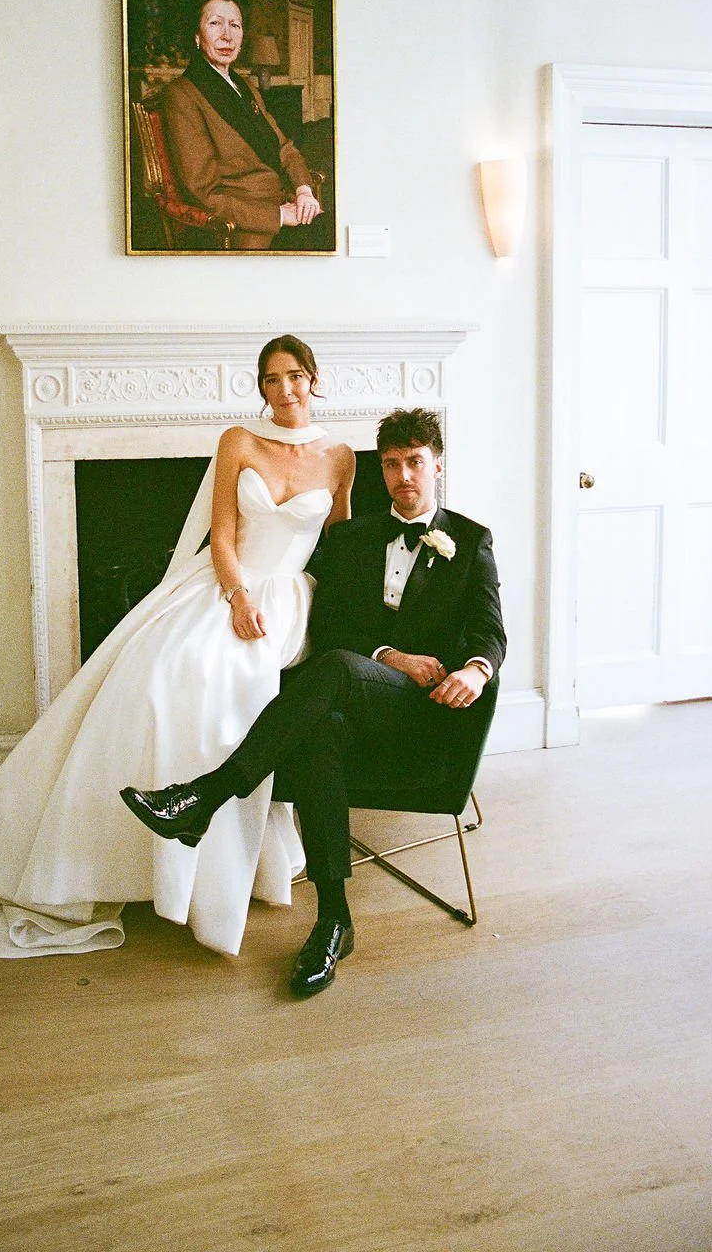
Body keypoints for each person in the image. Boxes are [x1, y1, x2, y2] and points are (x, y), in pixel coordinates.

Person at [0, 337, 355, 959]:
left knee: (226, 685)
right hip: (229, 587)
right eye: (271, 378)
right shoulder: (238, 442)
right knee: (163, 673)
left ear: (314, 379)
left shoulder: (339, 455)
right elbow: (221, 535)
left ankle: (219, 851)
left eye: (295, 375)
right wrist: (239, 597)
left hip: (291, 600)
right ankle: (137, 850)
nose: (284, 389)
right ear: (261, 387)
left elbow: (345, 541)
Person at [122, 408, 507, 996]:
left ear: (437, 465)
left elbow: (490, 632)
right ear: (382, 470)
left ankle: (204, 795)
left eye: (415, 463)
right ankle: (334, 920)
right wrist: (390, 656)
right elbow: (332, 628)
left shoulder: (472, 540)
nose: (404, 476)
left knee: (327, 679)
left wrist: (477, 672)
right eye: (393, 465)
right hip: (361, 694)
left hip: (423, 711)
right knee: (320, 723)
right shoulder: (355, 537)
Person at [160, 0, 323, 251]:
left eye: (235, 25)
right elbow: (204, 194)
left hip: (285, 204)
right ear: (196, 36)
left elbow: (284, 147)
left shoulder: (244, 85)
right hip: (247, 229)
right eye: (215, 23)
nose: (227, 35)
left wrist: (304, 190)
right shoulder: (182, 95)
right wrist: (279, 216)